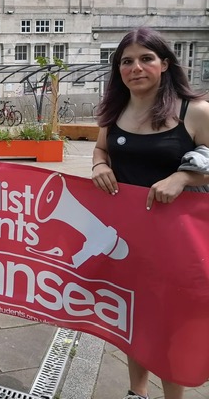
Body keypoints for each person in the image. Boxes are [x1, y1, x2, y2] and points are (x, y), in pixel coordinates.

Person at [91, 27, 209, 399]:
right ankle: (136, 393)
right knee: (134, 321)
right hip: (129, 241)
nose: (135, 67)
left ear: (165, 64)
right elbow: (100, 150)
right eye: (127, 61)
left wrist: (184, 176)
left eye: (146, 59)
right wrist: (98, 166)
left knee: (171, 326)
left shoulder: (195, 111)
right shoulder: (114, 113)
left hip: (179, 246)